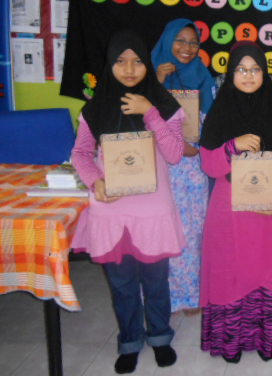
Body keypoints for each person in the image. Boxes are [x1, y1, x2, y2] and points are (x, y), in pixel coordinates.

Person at [71, 30, 185, 374]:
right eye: (121, 61)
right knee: (122, 286)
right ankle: (130, 342)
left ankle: (160, 337)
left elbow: (174, 154)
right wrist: (96, 181)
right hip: (112, 211)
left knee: (156, 283)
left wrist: (150, 112)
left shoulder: (165, 105)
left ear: (148, 64)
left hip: (152, 212)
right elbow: (81, 154)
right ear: (110, 64)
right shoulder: (95, 108)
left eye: (137, 61)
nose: (130, 69)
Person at [199, 42, 272, 364]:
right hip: (229, 213)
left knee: (267, 275)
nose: (248, 75)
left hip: (267, 213)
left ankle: (265, 340)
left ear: (264, 73)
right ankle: (230, 343)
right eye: (241, 69)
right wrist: (233, 146)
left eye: (255, 69)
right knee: (230, 275)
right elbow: (209, 165)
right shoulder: (219, 113)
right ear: (230, 73)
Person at [151, 18, 215, 315]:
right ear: (167, 41)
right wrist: (156, 83)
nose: (187, 48)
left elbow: (213, 127)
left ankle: (190, 293)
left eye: (193, 42)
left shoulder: (204, 78)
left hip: (192, 169)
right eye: (180, 40)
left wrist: (198, 147)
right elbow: (136, 124)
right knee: (160, 231)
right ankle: (161, 294)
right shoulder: (145, 77)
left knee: (192, 231)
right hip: (159, 169)